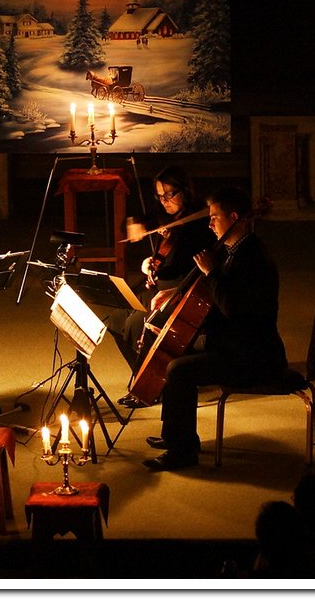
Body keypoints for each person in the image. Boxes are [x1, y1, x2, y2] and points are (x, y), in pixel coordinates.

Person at [141, 186, 287, 471]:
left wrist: (211, 271)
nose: (209, 225)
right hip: (234, 343)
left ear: (236, 217)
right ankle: (177, 436)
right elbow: (212, 294)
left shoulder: (252, 258)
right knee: (175, 351)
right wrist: (176, 293)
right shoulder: (235, 249)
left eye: (215, 218)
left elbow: (231, 306)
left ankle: (181, 451)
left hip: (253, 356)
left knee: (179, 370)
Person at [114, 165, 215, 409]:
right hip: (159, 286)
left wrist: (171, 288)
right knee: (115, 318)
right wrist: (146, 261)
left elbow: (197, 273)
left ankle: (152, 385)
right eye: (160, 196)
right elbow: (137, 224)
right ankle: (146, 377)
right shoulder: (166, 217)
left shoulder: (199, 224)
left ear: (185, 191)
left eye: (170, 194)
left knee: (135, 322)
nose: (165, 201)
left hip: (181, 291)